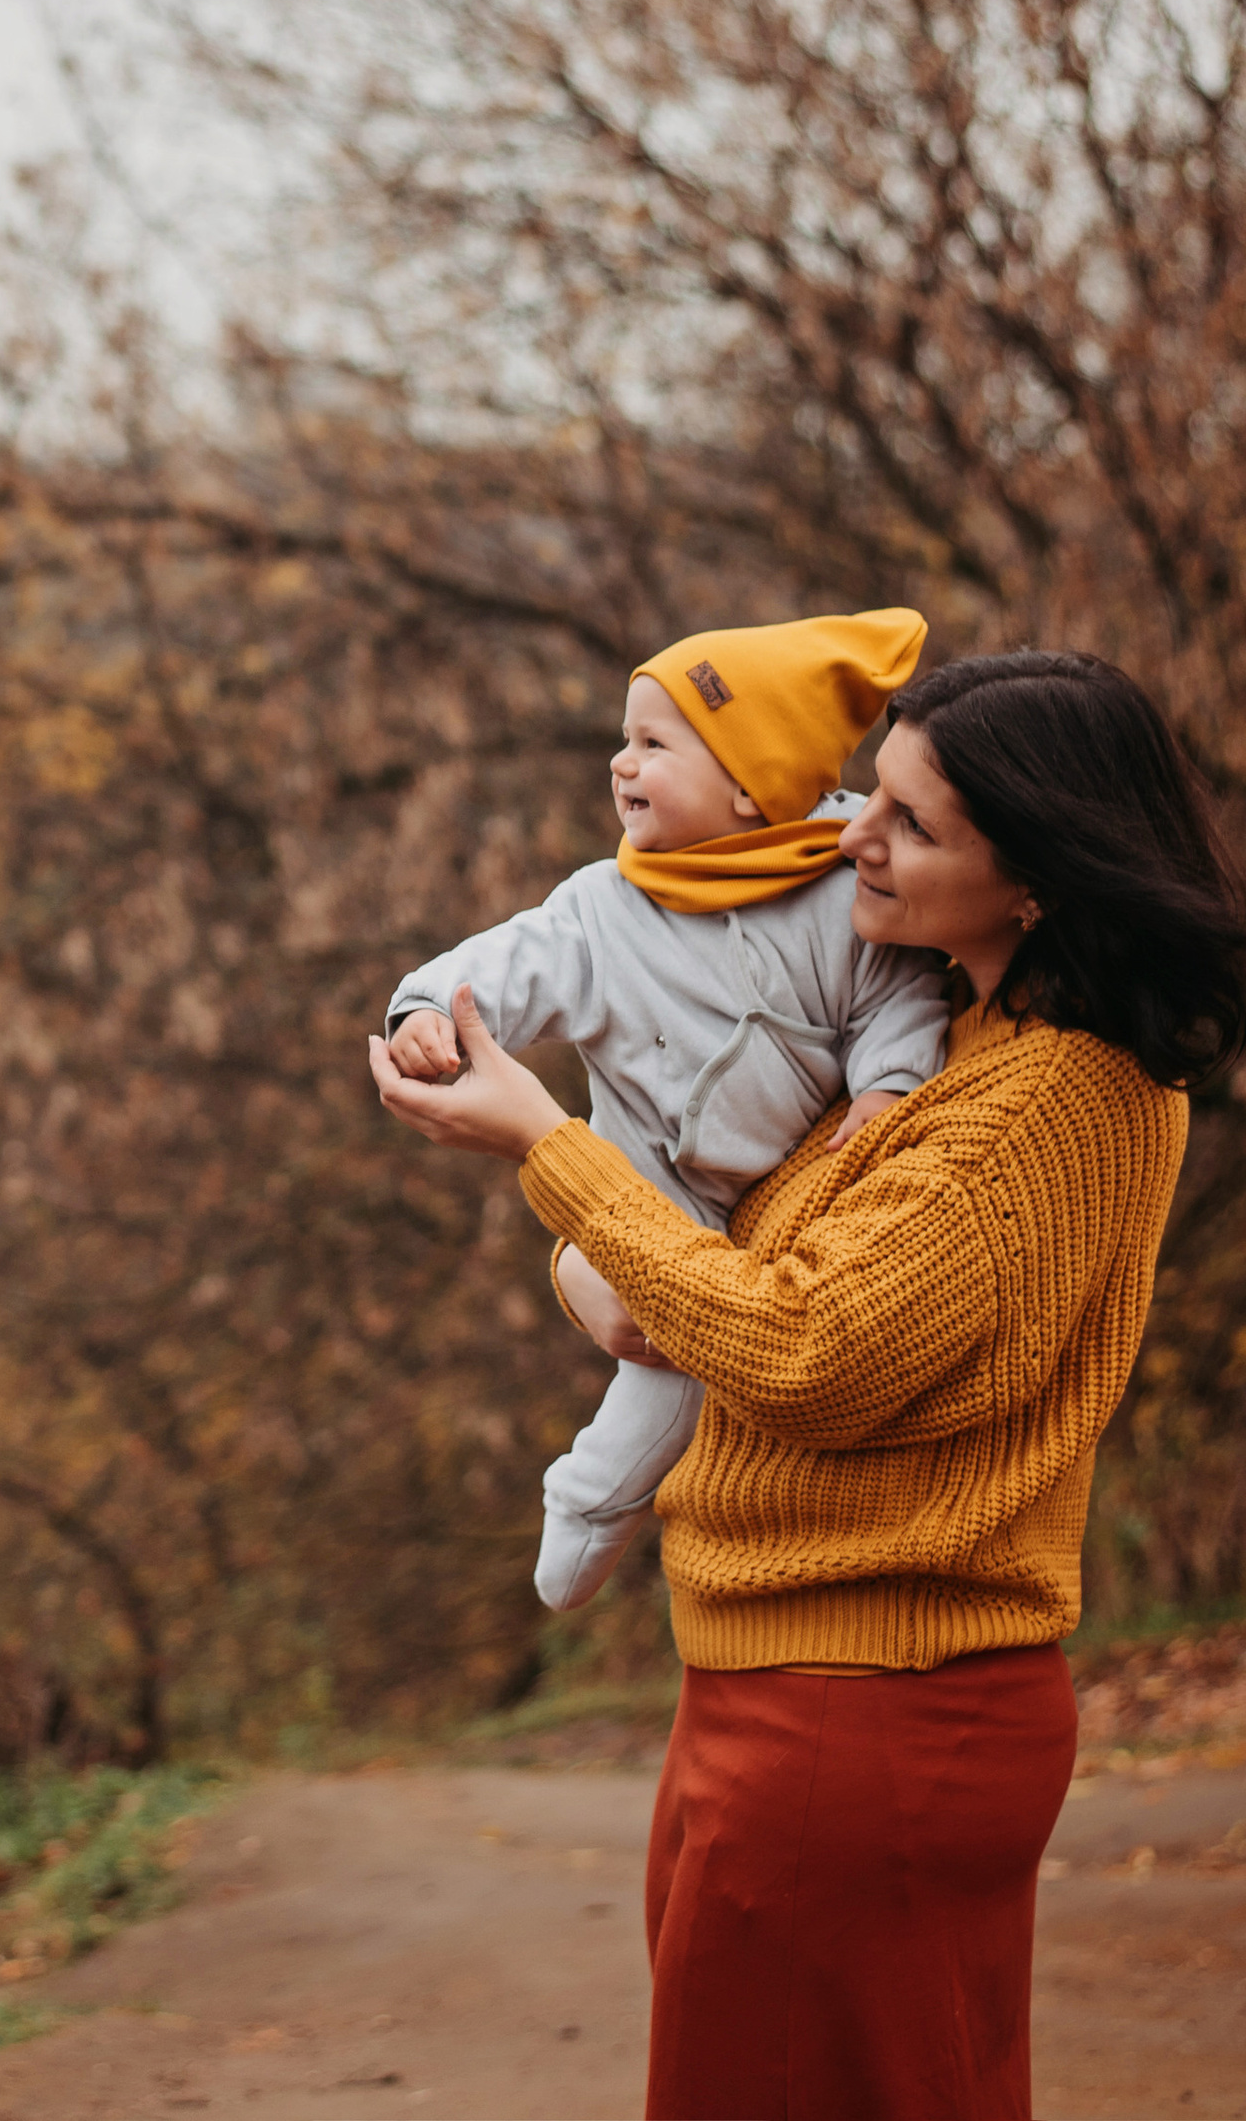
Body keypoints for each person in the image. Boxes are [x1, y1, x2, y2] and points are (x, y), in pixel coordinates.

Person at [368, 648, 1246, 2121]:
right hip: (800, 1696)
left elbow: (802, 1348)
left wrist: (547, 1151)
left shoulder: (1051, 1099)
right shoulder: (947, 1037)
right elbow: (714, 1249)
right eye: (869, 796)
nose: (853, 839)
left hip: (867, 1724)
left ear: (1034, 878)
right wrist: (597, 1268)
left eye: (910, 825)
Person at [382, 608, 949, 1609]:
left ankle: (604, 1497)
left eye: (652, 743)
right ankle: (590, 1504)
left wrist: (886, 1086)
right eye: (621, 738)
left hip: (792, 1193)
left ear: (749, 780)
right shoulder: (604, 907)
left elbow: (897, 998)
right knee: (669, 1365)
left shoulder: (842, 891)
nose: (619, 762)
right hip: (654, 1177)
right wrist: (430, 1010)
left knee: (733, 1335)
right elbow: (507, 963)